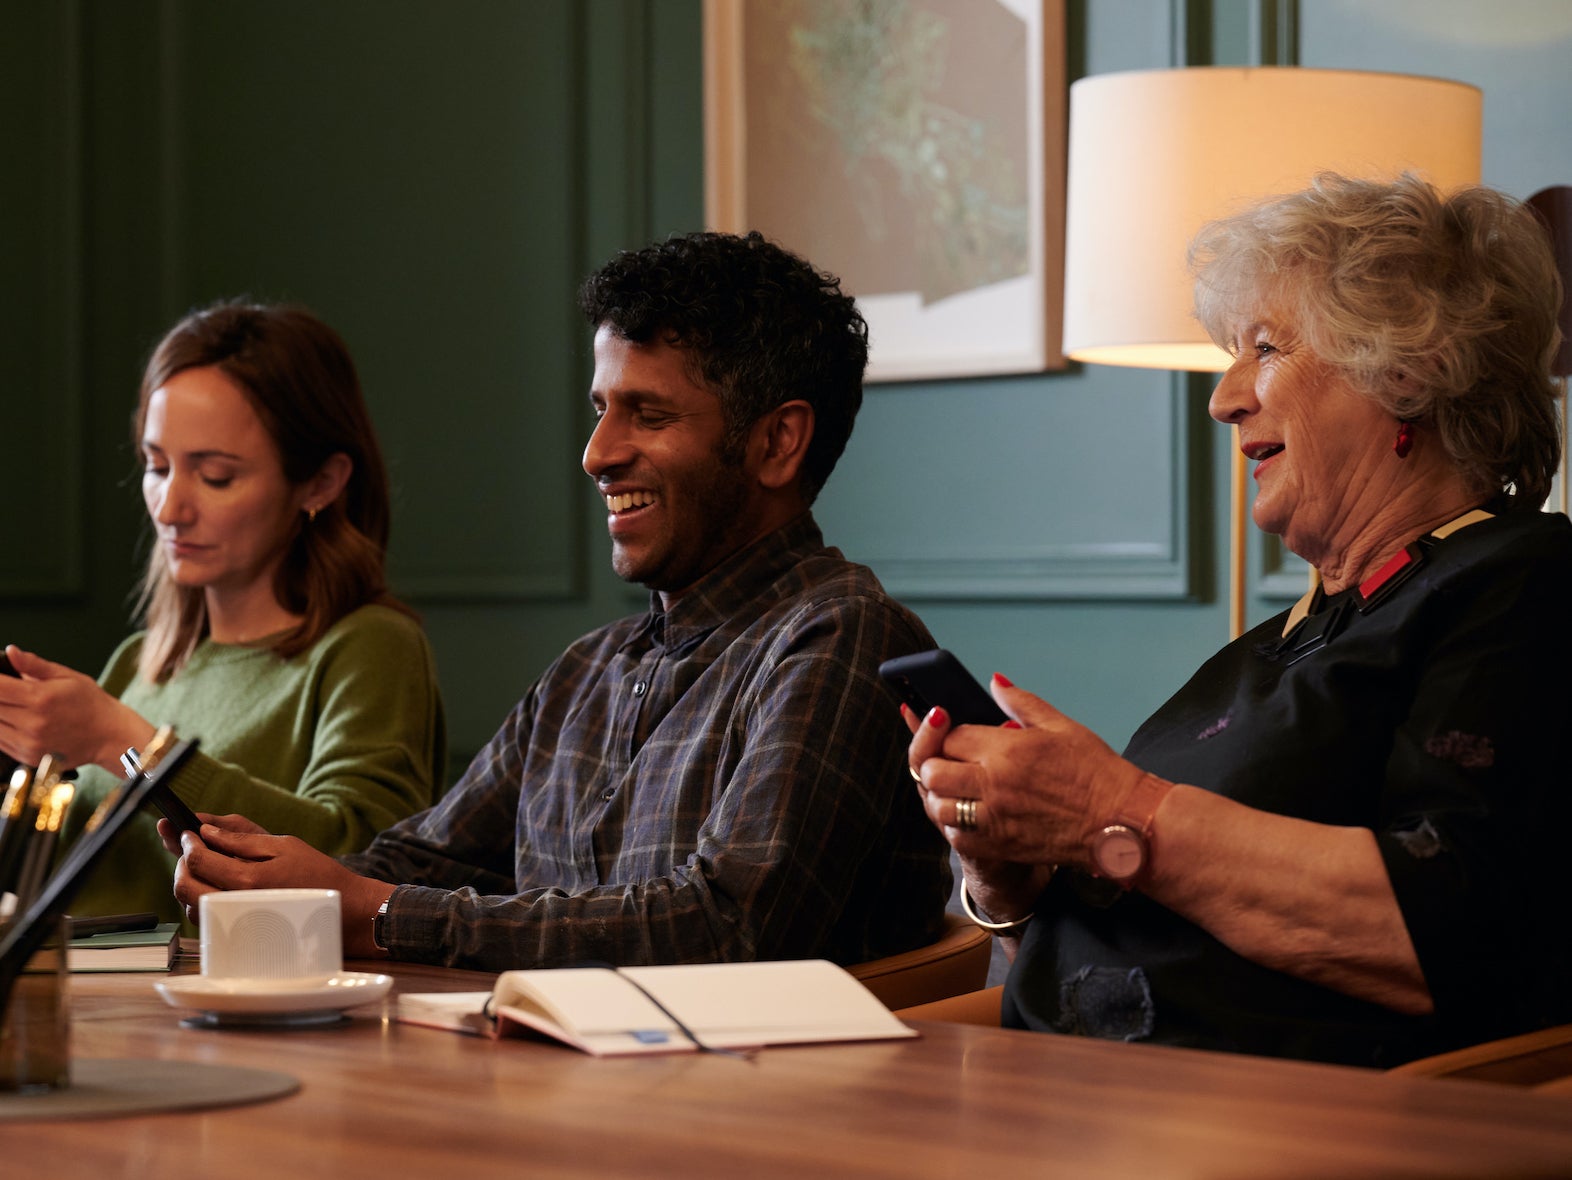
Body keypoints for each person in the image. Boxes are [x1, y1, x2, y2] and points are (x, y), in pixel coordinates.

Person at [907, 173, 1572, 1067]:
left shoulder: (1520, 585)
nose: (1223, 399)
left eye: (1264, 349)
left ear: (1406, 372)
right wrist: (1012, 874)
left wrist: (1113, 807)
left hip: (1278, 1123)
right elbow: (1099, 964)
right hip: (1068, 1088)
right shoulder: (1289, 635)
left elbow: (1452, 927)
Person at [168, 231, 952, 970]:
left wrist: (376, 913)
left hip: (755, 1106)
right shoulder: (588, 670)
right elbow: (421, 858)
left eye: (647, 414)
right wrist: (258, 875)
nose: (597, 454)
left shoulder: (840, 636)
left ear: (778, 442)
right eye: (601, 409)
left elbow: (730, 926)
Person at [0, 301, 446, 923]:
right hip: (98, 1004)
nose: (170, 507)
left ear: (319, 483)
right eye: (157, 467)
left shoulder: (370, 646)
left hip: (241, 1006)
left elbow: (366, 866)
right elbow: (65, 887)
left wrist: (123, 741)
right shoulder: (141, 661)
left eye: (214, 476)